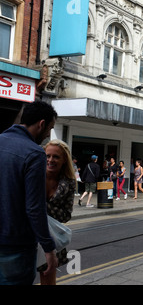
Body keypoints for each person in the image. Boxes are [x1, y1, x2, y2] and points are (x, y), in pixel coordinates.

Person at [0, 100, 58, 285]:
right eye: (50, 128)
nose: (48, 134)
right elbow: (34, 207)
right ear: (41, 124)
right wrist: (49, 249)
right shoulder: (34, 153)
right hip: (15, 245)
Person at [39, 139, 76, 285]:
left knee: (48, 280)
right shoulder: (34, 175)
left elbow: (66, 215)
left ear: (64, 160)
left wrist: (38, 208)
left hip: (51, 237)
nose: (50, 160)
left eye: (56, 157)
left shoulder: (69, 182)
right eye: (47, 156)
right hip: (28, 234)